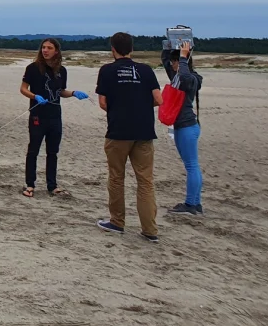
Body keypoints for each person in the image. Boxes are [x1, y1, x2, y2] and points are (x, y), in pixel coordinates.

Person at [95, 32, 163, 242]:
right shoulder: (145, 70)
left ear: (113, 49)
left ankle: (117, 221)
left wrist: (122, 106)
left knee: (116, 177)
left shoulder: (107, 70)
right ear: (131, 49)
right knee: (145, 181)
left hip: (118, 132)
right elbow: (158, 99)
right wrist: (140, 106)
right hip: (143, 131)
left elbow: (103, 103)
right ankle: (150, 229)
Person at [19, 38, 89, 199]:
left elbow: (60, 92)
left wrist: (72, 93)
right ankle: (30, 184)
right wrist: (35, 96)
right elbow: (23, 89)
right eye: (43, 47)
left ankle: (52, 185)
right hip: (37, 114)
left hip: (55, 115)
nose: (45, 50)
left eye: (49, 48)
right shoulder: (32, 68)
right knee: (33, 150)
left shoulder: (61, 71)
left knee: (53, 152)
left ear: (56, 51)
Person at [162, 40, 203, 216]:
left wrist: (184, 56)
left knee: (192, 166)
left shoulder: (191, 79)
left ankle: (192, 204)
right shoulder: (177, 78)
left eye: (175, 61)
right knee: (192, 165)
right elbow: (165, 60)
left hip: (187, 127)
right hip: (186, 126)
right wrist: (171, 43)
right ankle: (194, 203)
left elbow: (185, 77)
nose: (171, 64)